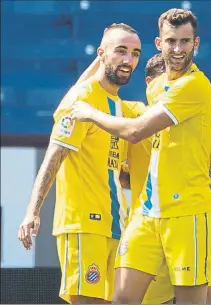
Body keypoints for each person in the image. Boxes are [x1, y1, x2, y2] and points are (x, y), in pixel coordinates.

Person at [71, 9, 211, 304]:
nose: (178, 49)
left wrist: (89, 113)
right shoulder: (156, 88)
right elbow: (92, 94)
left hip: (188, 214)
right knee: (122, 299)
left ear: (196, 43)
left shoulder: (195, 86)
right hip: (147, 214)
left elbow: (135, 132)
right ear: (158, 43)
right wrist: (104, 54)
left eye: (185, 41)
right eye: (171, 41)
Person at [17, 23, 141, 304]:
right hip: (84, 224)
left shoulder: (116, 104)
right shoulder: (83, 99)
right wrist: (32, 211)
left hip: (113, 224)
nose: (128, 60)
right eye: (120, 51)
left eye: (135, 53)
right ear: (101, 54)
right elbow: (54, 153)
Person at [122, 53, 211, 304]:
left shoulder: (198, 117)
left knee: (208, 298)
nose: (176, 92)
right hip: (148, 225)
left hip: (187, 223)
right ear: (150, 83)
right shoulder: (132, 117)